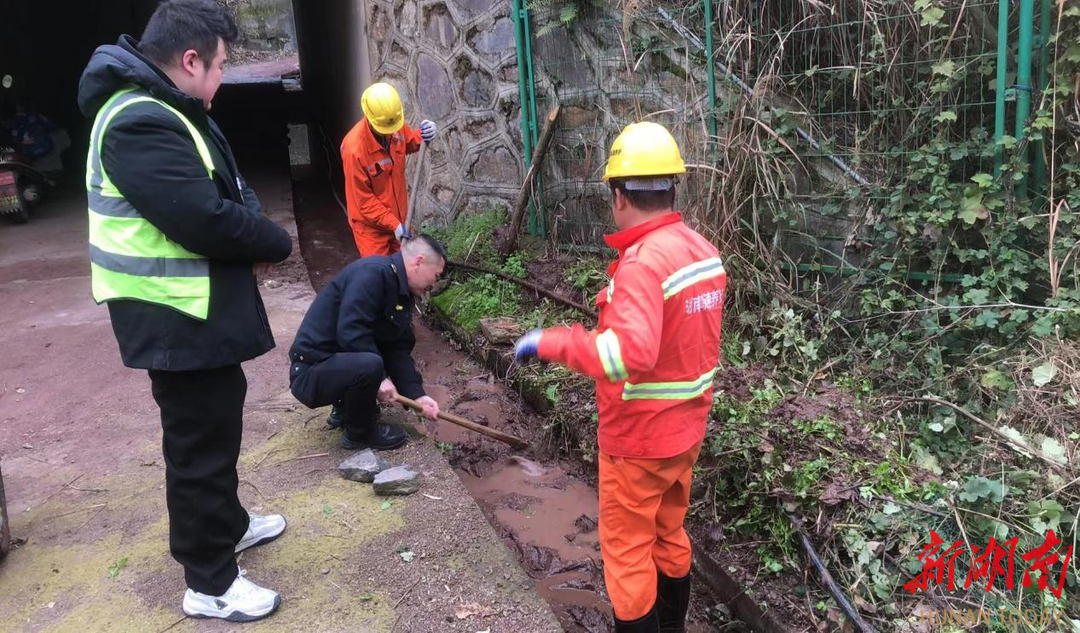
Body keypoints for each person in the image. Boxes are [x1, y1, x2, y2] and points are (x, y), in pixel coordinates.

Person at [77, 0, 292, 622]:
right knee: (199, 441)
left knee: (218, 421)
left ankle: (228, 523)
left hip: (191, 310)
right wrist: (272, 240)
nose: (224, 79)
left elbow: (218, 187)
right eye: (222, 66)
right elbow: (200, 217)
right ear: (190, 59)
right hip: (171, 312)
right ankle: (210, 580)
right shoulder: (136, 121)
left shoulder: (164, 106)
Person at [512, 122, 727, 633]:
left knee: (627, 556)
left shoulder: (642, 266)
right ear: (672, 186)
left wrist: (552, 342)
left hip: (639, 442)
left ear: (618, 196)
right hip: (686, 433)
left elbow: (625, 354)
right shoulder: (702, 251)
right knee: (669, 533)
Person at [289, 235, 445, 450]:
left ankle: (346, 411)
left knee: (373, 360)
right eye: (436, 275)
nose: (434, 283)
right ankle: (360, 434)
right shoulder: (373, 273)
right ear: (418, 262)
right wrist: (380, 379)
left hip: (335, 367)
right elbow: (351, 331)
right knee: (370, 365)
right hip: (311, 373)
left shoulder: (400, 293)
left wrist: (417, 396)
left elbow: (397, 349)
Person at [341, 82, 436, 257]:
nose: (390, 133)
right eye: (385, 130)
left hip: (399, 219)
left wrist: (423, 135)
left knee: (404, 270)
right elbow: (364, 201)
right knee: (381, 273)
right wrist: (393, 225)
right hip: (371, 228)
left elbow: (408, 141)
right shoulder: (354, 149)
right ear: (369, 117)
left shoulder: (392, 123)